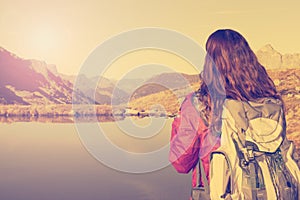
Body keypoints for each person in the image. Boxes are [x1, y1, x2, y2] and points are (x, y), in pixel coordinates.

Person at [169, 29, 298, 199]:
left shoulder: (200, 105)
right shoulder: (269, 101)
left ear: (210, 62)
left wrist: (180, 122)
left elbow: (181, 163)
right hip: (271, 191)